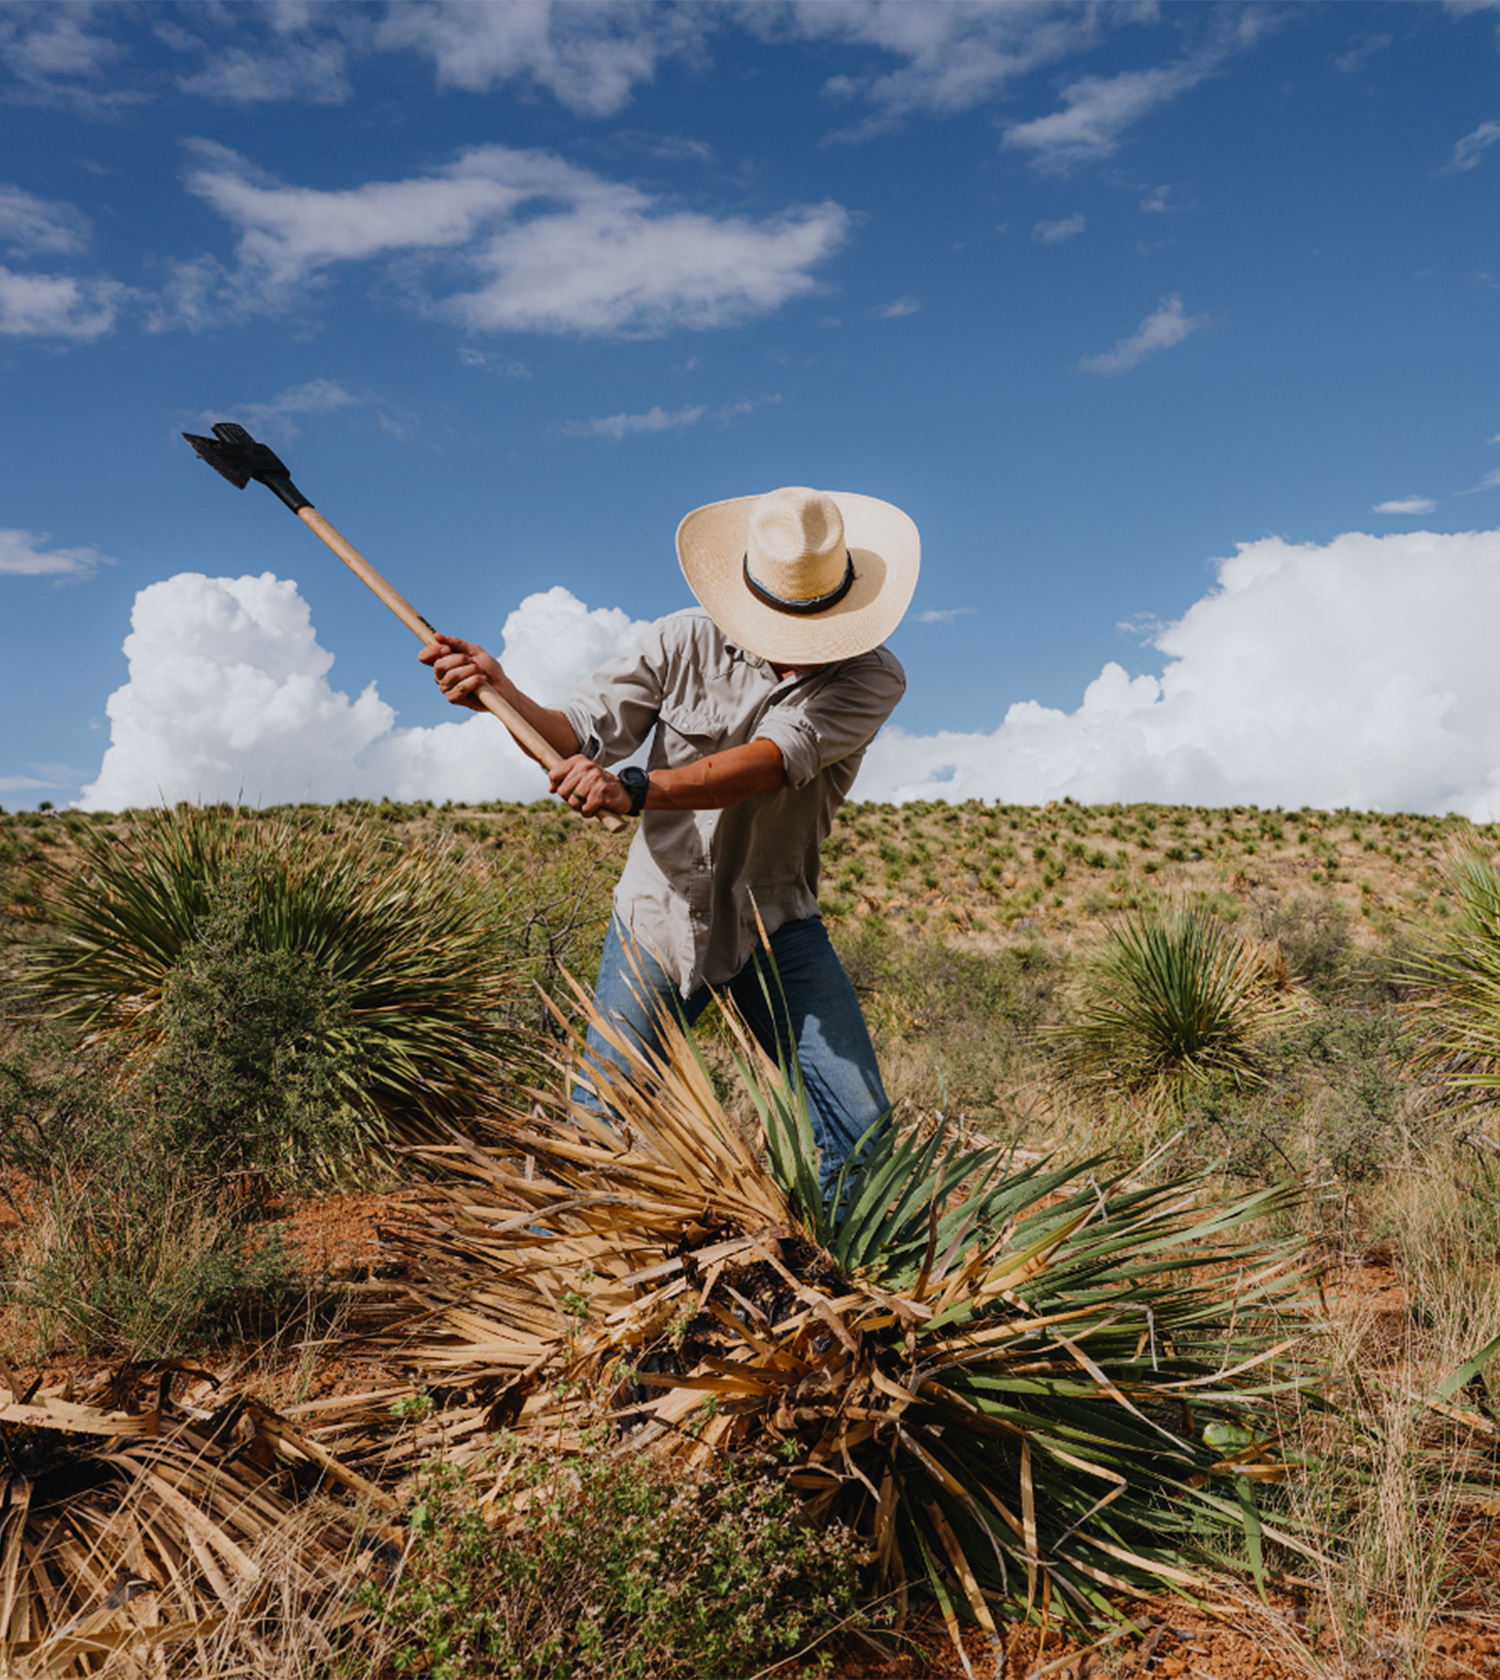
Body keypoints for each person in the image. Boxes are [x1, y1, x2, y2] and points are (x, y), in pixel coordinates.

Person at [420, 485, 919, 1191]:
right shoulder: (681, 640)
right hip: (655, 916)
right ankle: (574, 1280)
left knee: (859, 1128)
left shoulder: (872, 676)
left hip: (775, 922)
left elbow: (767, 765)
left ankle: (857, 1274)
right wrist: (501, 696)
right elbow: (577, 736)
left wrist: (634, 790)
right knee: (601, 1125)